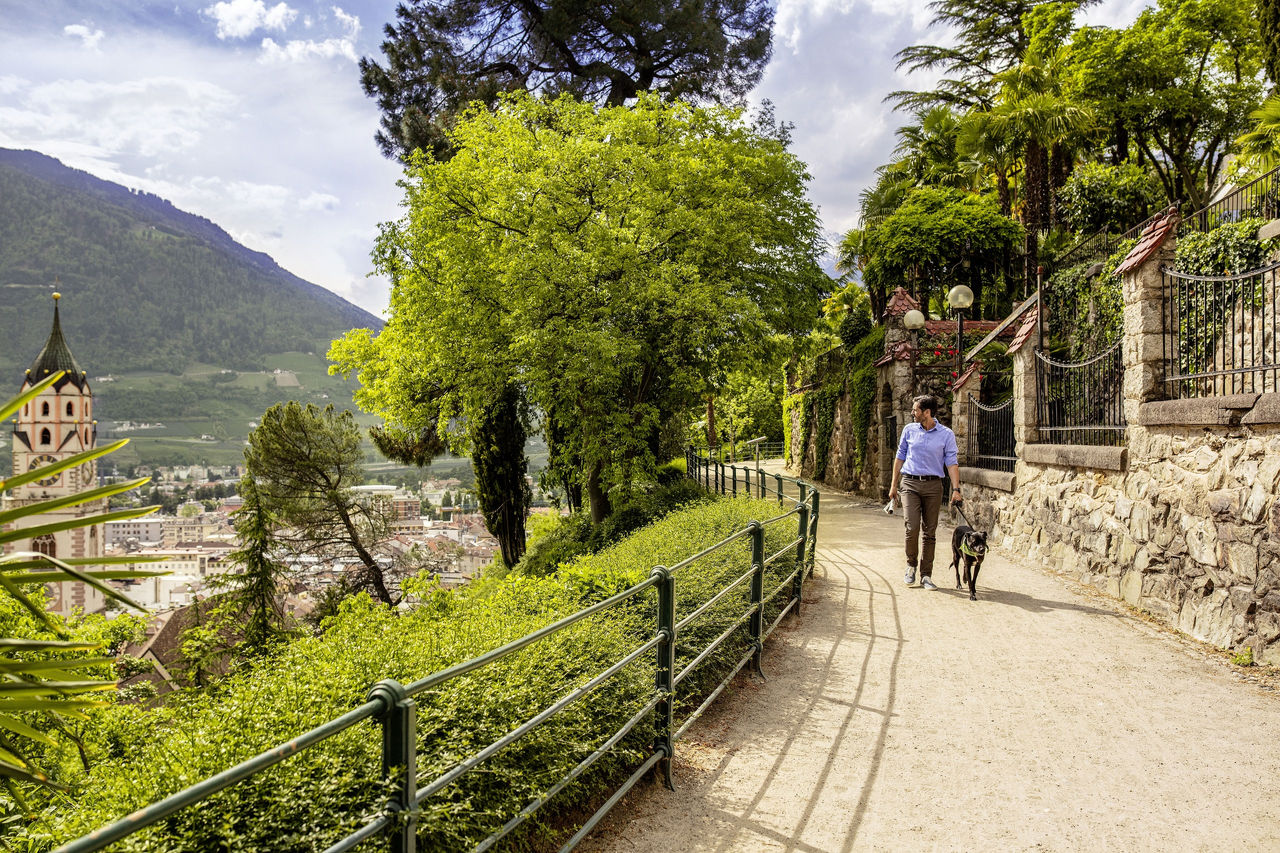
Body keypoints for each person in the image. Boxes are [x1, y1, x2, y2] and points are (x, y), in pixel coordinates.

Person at [888, 394, 961, 590]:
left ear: (926, 413)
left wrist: (956, 490)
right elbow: (900, 457)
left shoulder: (946, 435)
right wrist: (894, 485)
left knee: (929, 532)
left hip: (933, 486)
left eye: (915, 410)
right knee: (912, 527)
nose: (912, 413)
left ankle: (926, 575)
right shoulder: (909, 430)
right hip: (910, 483)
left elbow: (952, 463)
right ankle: (911, 565)